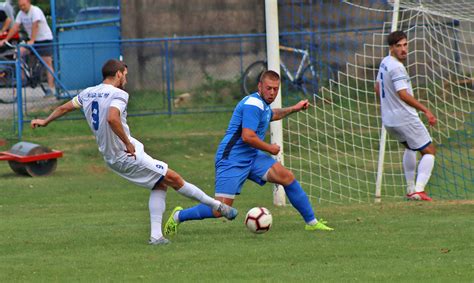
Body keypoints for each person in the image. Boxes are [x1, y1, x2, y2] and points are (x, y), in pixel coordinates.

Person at [31, 59, 238, 245]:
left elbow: (64, 108)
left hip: (112, 156)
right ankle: (218, 206)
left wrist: (45, 121)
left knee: (160, 183)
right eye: (125, 75)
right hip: (126, 154)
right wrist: (127, 143)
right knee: (174, 178)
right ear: (118, 74)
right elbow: (112, 118)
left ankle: (156, 236)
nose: (126, 80)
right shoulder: (119, 94)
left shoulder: (88, 92)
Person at [164, 70, 334, 236]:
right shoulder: (253, 104)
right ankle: (179, 216)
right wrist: (270, 148)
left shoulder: (262, 105)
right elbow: (247, 136)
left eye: (276, 89)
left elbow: (271, 114)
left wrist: (294, 108)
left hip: (251, 156)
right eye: (269, 88)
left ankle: (311, 223)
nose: (272, 92)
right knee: (220, 210)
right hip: (232, 158)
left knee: (286, 177)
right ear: (259, 86)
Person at [375, 31, 437, 201]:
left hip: (389, 120)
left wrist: (387, 107)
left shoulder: (384, 62)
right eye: (398, 46)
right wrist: (426, 110)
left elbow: (377, 88)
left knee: (410, 147)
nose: (403, 49)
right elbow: (402, 94)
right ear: (391, 48)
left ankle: (411, 189)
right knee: (429, 150)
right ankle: (418, 189)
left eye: (405, 45)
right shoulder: (397, 67)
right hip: (405, 118)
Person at [0, 0, 55, 95]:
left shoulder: (35, 11)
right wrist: (6, 39)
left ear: (28, 3)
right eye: (20, 6)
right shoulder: (21, 14)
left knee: (47, 64)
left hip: (44, 39)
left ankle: (51, 88)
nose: (22, 7)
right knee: (17, 53)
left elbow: (35, 25)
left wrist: (32, 40)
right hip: (32, 40)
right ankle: (22, 78)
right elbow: (15, 27)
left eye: (24, 5)